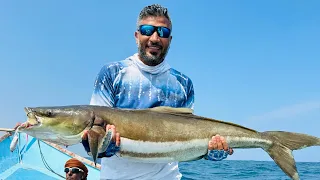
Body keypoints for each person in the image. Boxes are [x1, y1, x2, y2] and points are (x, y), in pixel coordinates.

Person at [82, 4, 234, 180]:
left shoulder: (183, 84)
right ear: (136, 36)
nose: (154, 38)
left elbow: (188, 142)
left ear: (170, 39)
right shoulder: (112, 73)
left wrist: (213, 152)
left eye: (162, 32)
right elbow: (93, 136)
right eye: (147, 30)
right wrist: (101, 145)